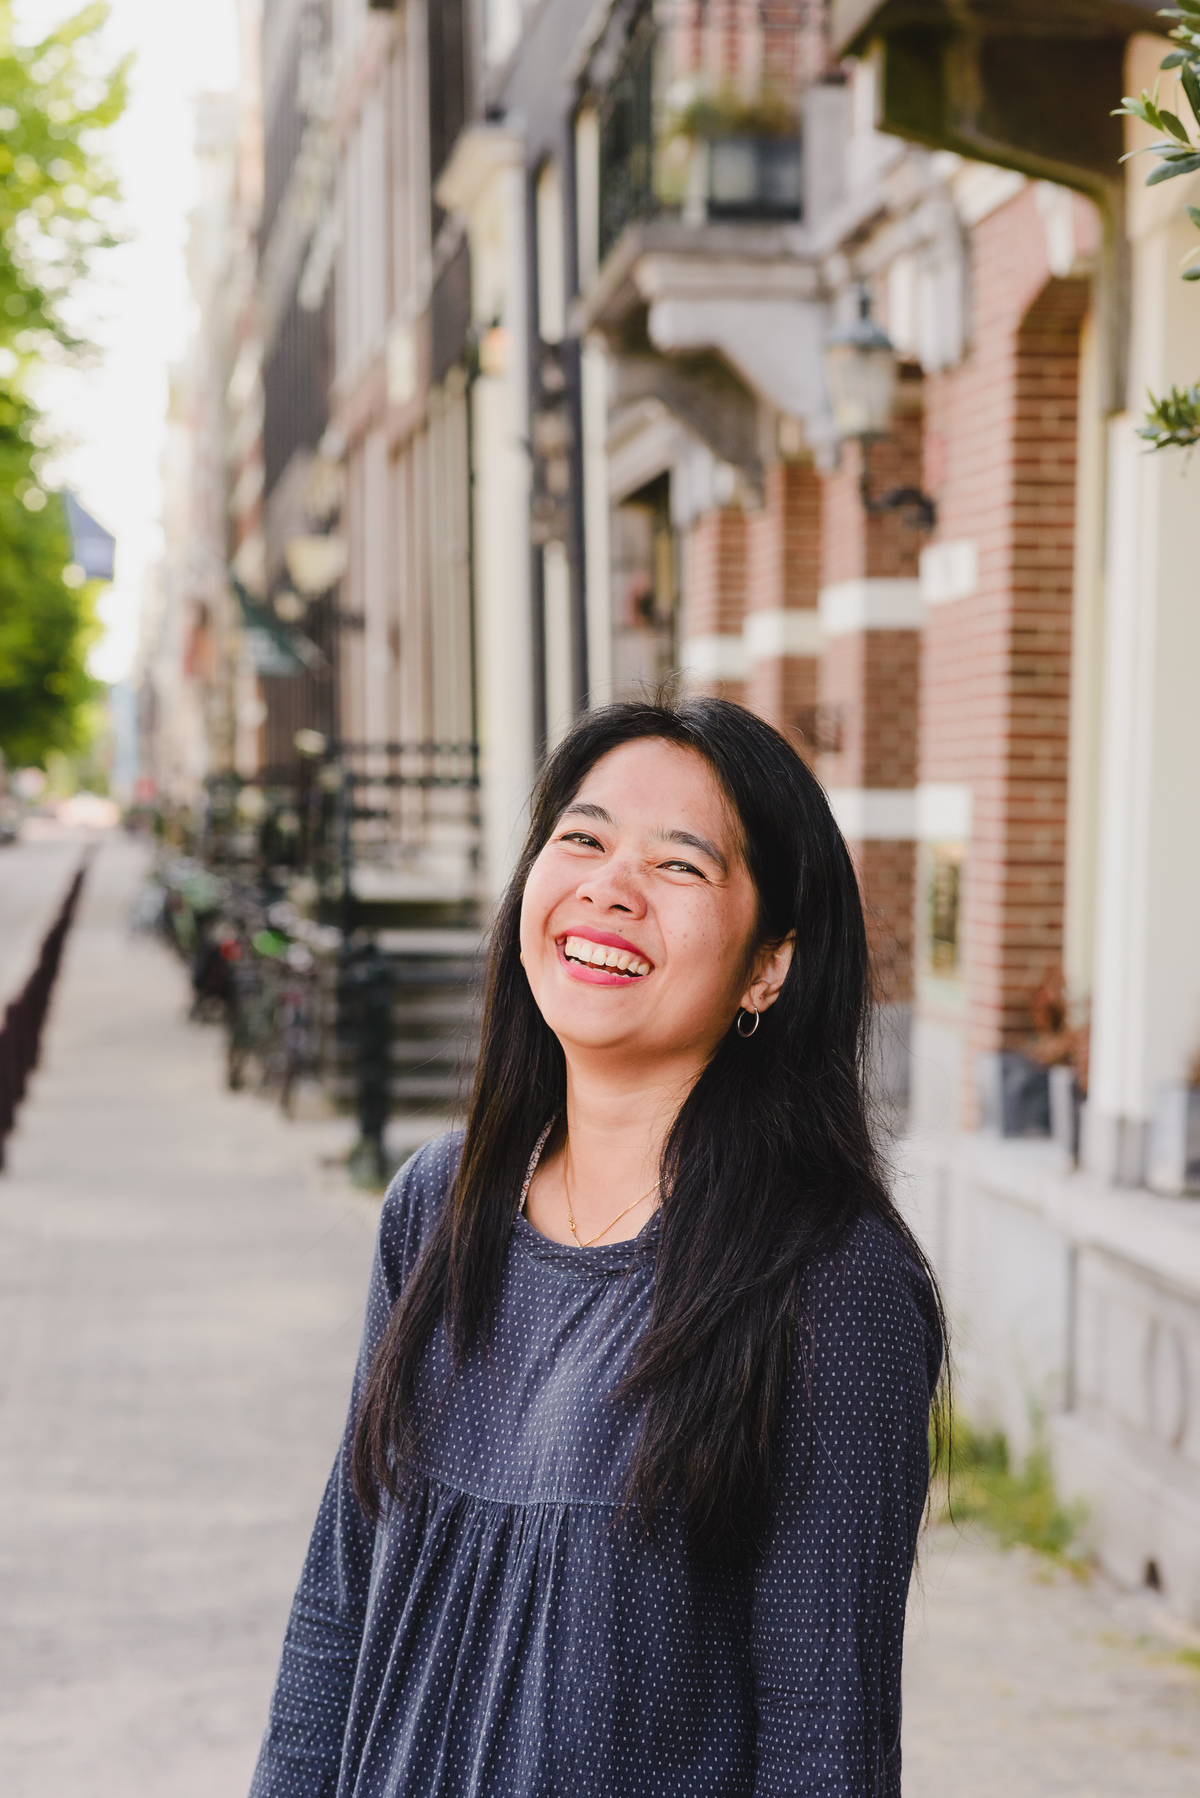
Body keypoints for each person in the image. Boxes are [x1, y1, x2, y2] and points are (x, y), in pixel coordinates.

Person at [249, 696, 945, 1798]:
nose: (608, 887)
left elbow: (828, 1748)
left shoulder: (828, 1280)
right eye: (581, 838)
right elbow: (338, 1607)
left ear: (769, 965)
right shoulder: (440, 1202)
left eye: (680, 864)